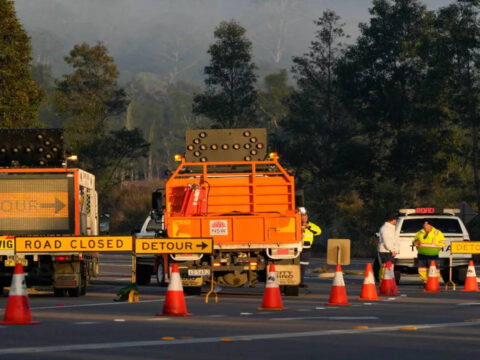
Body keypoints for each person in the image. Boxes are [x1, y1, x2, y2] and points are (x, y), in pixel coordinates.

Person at [299, 207, 321, 288]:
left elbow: (318, 231)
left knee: (303, 266)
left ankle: (300, 282)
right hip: (296, 247)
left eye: (305, 216)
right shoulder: (294, 224)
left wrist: (308, 227)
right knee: (295, 265)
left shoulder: (311, 225)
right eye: (302, 216)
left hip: (306, 248)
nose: (304, 217)